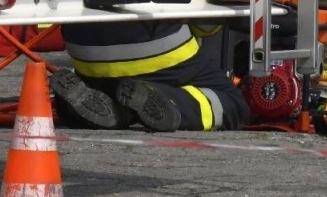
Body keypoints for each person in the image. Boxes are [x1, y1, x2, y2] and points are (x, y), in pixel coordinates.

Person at [51, 21, 249, 132]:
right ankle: (168, 101)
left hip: (88, 60)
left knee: (101, 85)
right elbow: (206, 26)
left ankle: (117, 110)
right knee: (234, 104)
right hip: (162, 57)